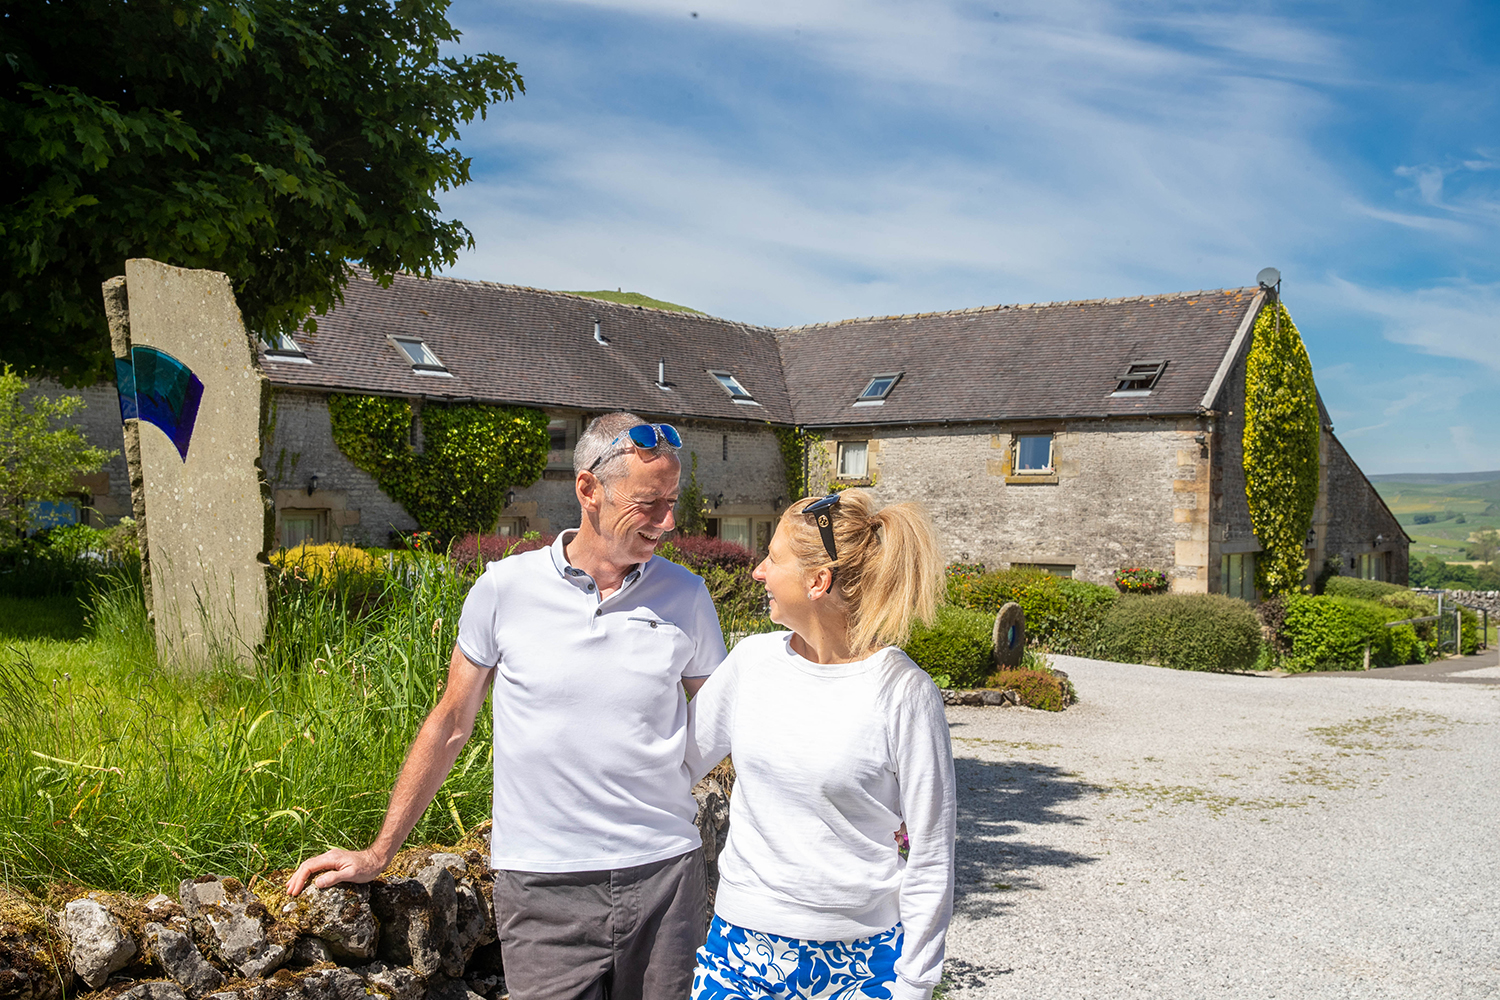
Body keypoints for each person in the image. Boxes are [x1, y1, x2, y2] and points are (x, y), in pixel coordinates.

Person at [287, 411, 728, 1000]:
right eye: (649, 503)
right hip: (542, 886)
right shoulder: (503, 588)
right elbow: (450, 724)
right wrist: (378, 851)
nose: (668, 521)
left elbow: (730, 726)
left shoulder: (687, 595)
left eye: (672, 501)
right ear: (588, 489)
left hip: (665, 879)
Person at [685, 489, 956, 1000]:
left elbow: (931, 856)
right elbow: (671, 767)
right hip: (740, 955)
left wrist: (915, 984)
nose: (758, 571)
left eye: (774, 557)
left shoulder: (905, 693)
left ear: (818, 581)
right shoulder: (751, 663)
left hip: (862, 962)